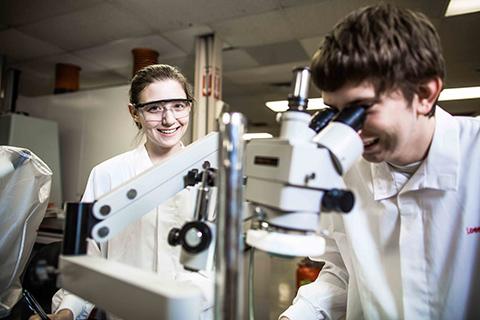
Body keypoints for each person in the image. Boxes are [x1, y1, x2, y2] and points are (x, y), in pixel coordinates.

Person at [280, 4, 480, 319]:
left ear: (425, 93)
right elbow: (342, 272)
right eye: (335, 111)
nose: (347, 130)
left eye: (360, 108)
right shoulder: (343, 167)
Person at [30, 64, 214, 320]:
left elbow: (216, 266)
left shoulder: (212, 176)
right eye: (154, 108)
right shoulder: (108, 174)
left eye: (178, 106)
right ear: (134, 113)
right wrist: (67, 310)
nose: (169, 119)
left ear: (189, 106)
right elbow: (88, 257)